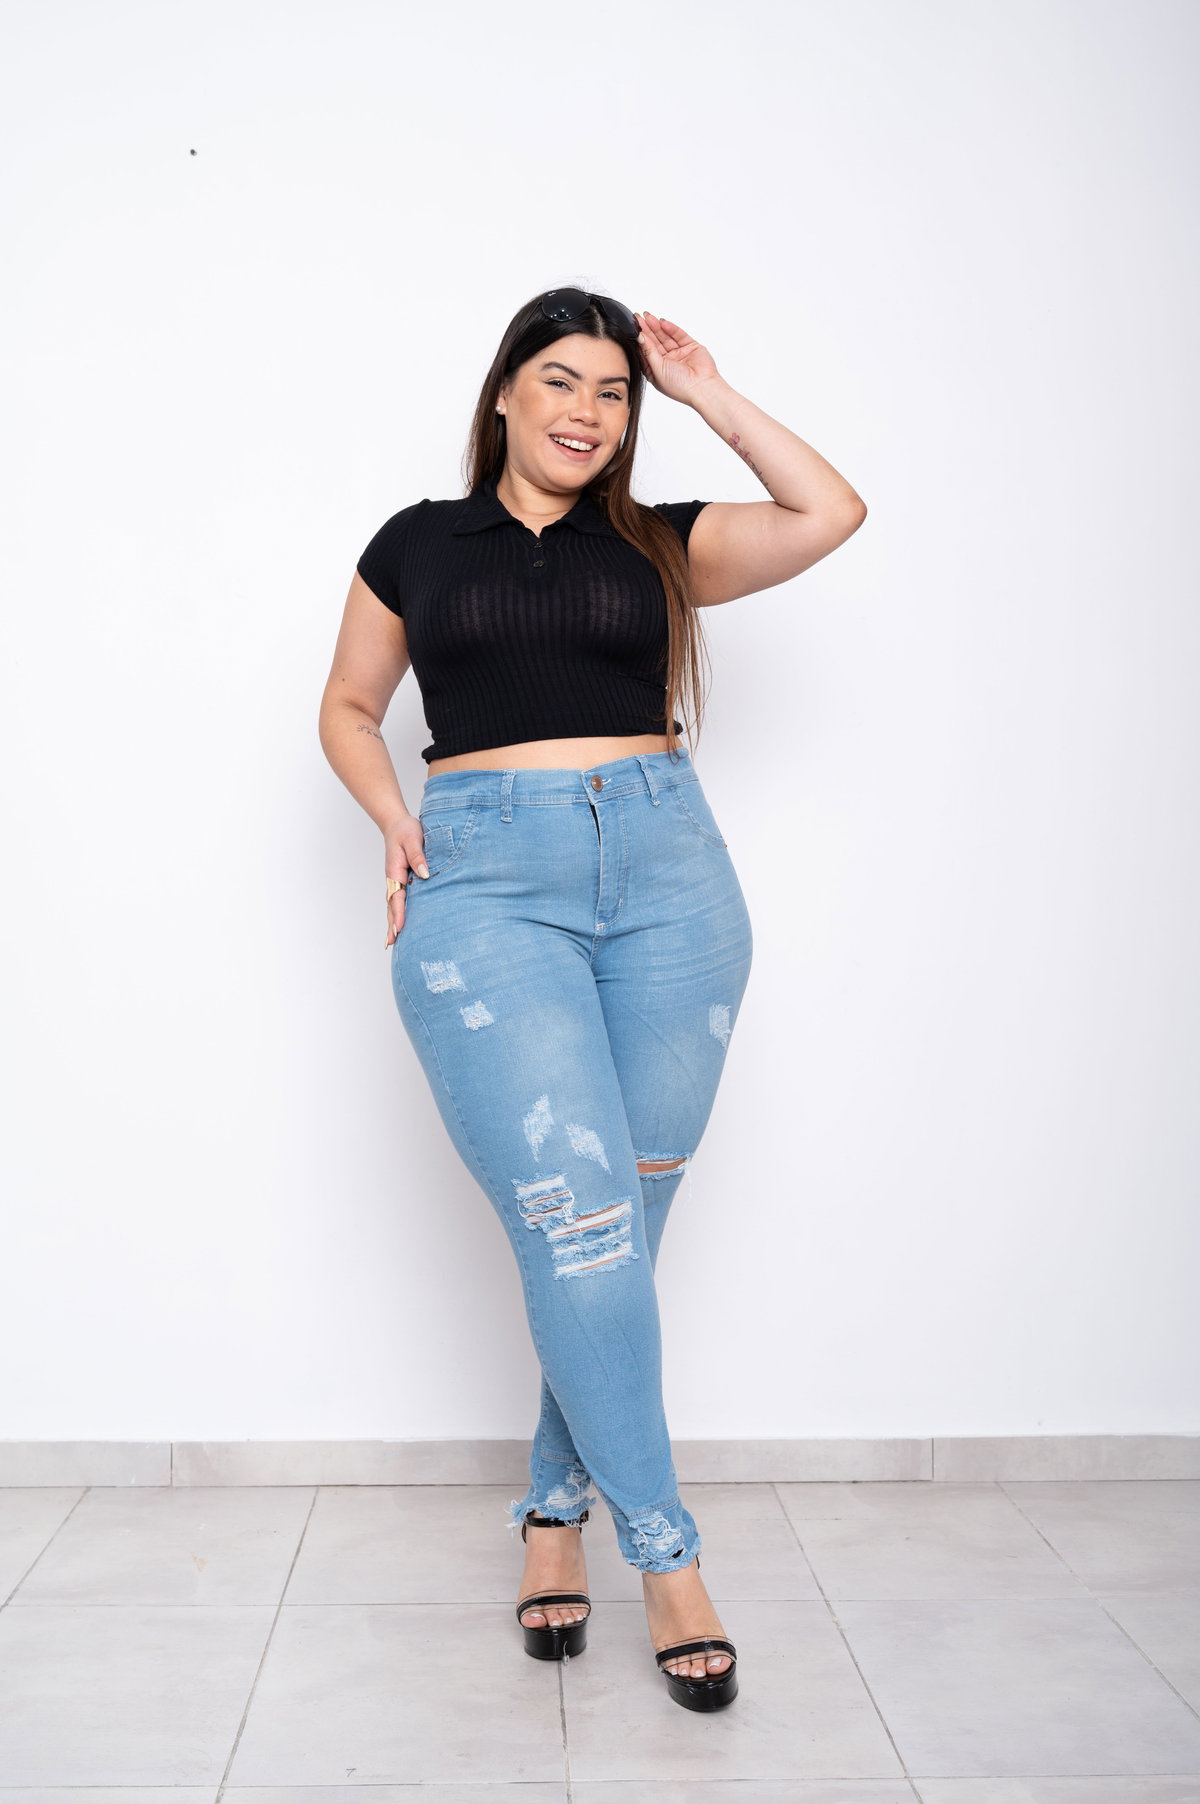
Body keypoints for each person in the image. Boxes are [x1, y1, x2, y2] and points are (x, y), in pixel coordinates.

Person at [318, 288, 867, 1711]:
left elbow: (830, 512)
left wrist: (709, 389)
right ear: (504, 392)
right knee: (581, 1225)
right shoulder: (418, 543)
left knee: (622, 1229)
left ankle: (554, 1512)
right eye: (559, 380)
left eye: (613, 391)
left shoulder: (661, 545)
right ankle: (667, 1557)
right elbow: (347, 707)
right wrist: (393, 818)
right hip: (486, 888)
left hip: (673, 885)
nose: (586, 411)